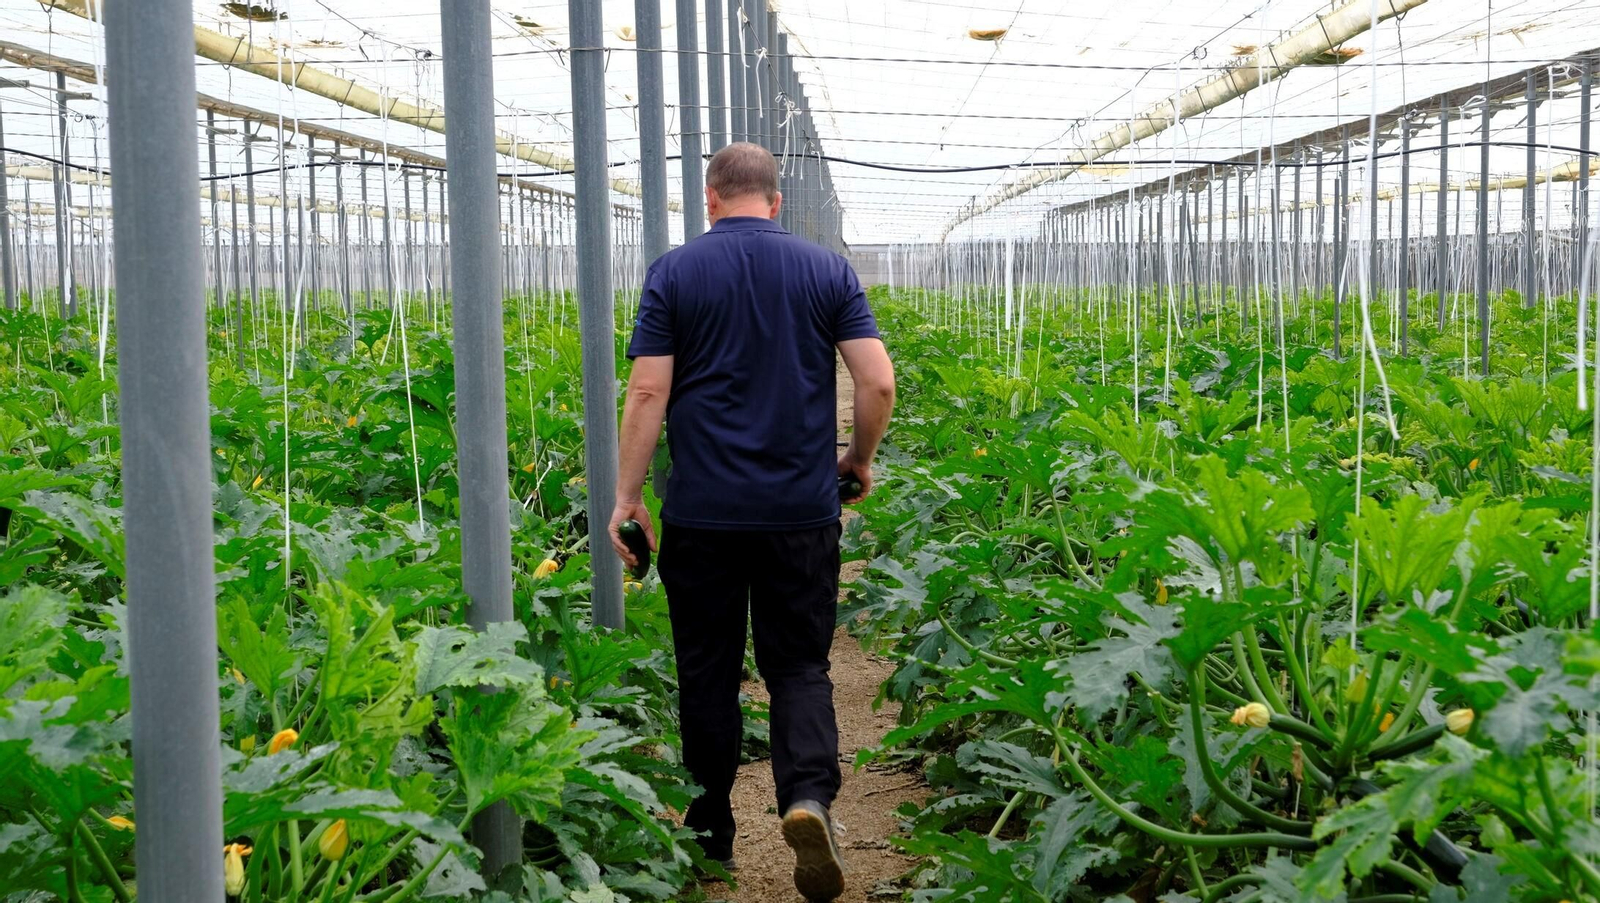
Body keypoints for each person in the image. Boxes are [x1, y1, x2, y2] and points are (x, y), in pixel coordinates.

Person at [608, 142, 895, 901]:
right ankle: (807, 798)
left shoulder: (675, 271)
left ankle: (710, 836)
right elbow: (877, 380)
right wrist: (858, 458)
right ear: (776, 203)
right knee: (799, 664)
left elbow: (645, 394)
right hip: (800, 511)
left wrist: (627, 498)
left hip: (701, 513)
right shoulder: (826, 270)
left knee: (707, 672)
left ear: (709, 199)